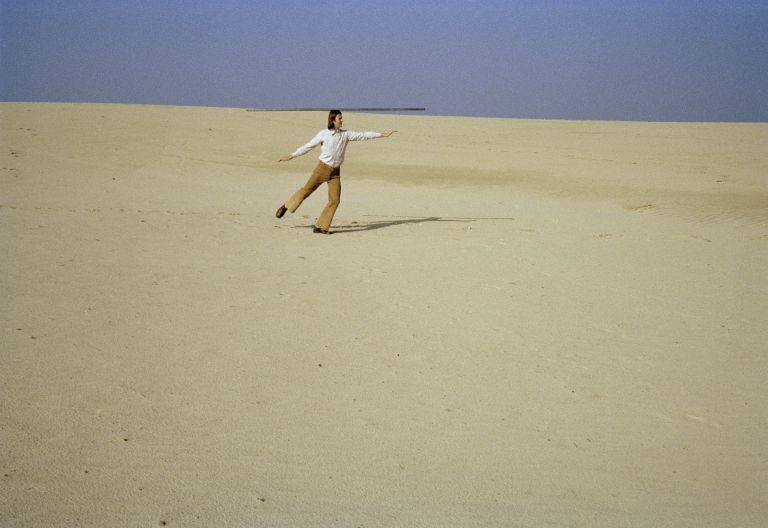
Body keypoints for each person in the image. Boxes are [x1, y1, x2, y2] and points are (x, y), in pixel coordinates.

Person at [276, 110, 396, 234]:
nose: (342, 120)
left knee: (335, 200)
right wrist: (292, 155)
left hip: (335, 173)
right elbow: (308, 146)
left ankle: (321, 227)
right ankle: (286, 206)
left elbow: (364, 135)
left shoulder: (346, 134)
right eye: (340, 118)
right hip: (322, 169)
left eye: (342, 118)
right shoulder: (323, 134)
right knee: (306, 191)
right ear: (333, 120)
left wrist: (381, 134)